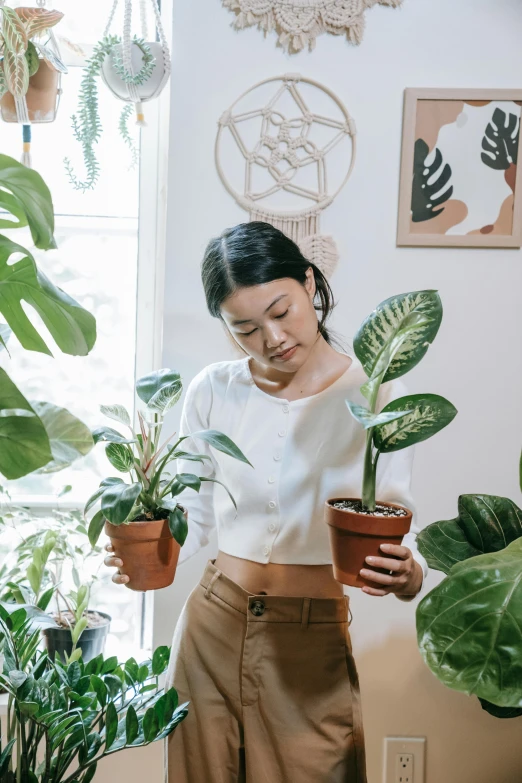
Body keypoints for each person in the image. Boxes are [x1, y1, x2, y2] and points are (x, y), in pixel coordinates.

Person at [105, 222, 428, 783]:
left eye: (281, 311)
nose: (272, 338)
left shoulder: (374, 395)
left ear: (308, 282)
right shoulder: (214, 389)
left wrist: (408, 576)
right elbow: (195, 517)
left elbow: (393, 526)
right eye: (246, 328)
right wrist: (144, 556)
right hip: (212, 627)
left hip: (309, 641)